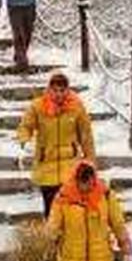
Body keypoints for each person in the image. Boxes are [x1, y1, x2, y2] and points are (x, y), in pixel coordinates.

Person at [15, 70, 94, 215]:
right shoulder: (37, 106)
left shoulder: (76, 107)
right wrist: (24, 141)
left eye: (62, 90)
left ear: (67, 90)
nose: (58, 94)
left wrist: (90, 161)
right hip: (46, 164)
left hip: (70, 164)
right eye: (55, 90)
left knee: (70, 209)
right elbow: (25, 126)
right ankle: (52, 236)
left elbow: (86, 136)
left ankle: (69, 236)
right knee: (50, 209)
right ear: (49, 89)